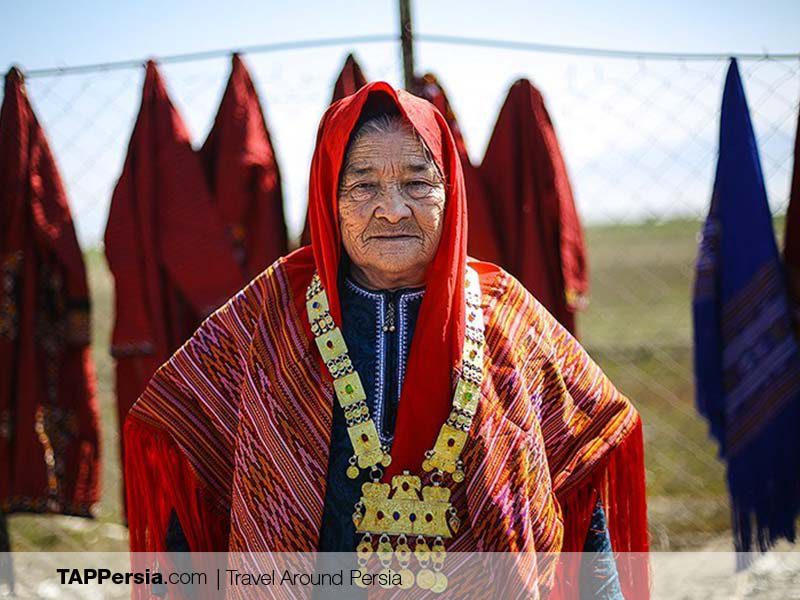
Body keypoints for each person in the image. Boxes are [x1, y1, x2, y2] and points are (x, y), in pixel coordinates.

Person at [125, 81, 648, 598]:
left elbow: (579, 482)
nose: (393, 209)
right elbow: (190, 444)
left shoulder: (507, 317)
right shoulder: (269, 312)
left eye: (418, 184)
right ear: (330, 196)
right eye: (363, 185)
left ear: (450, 192)